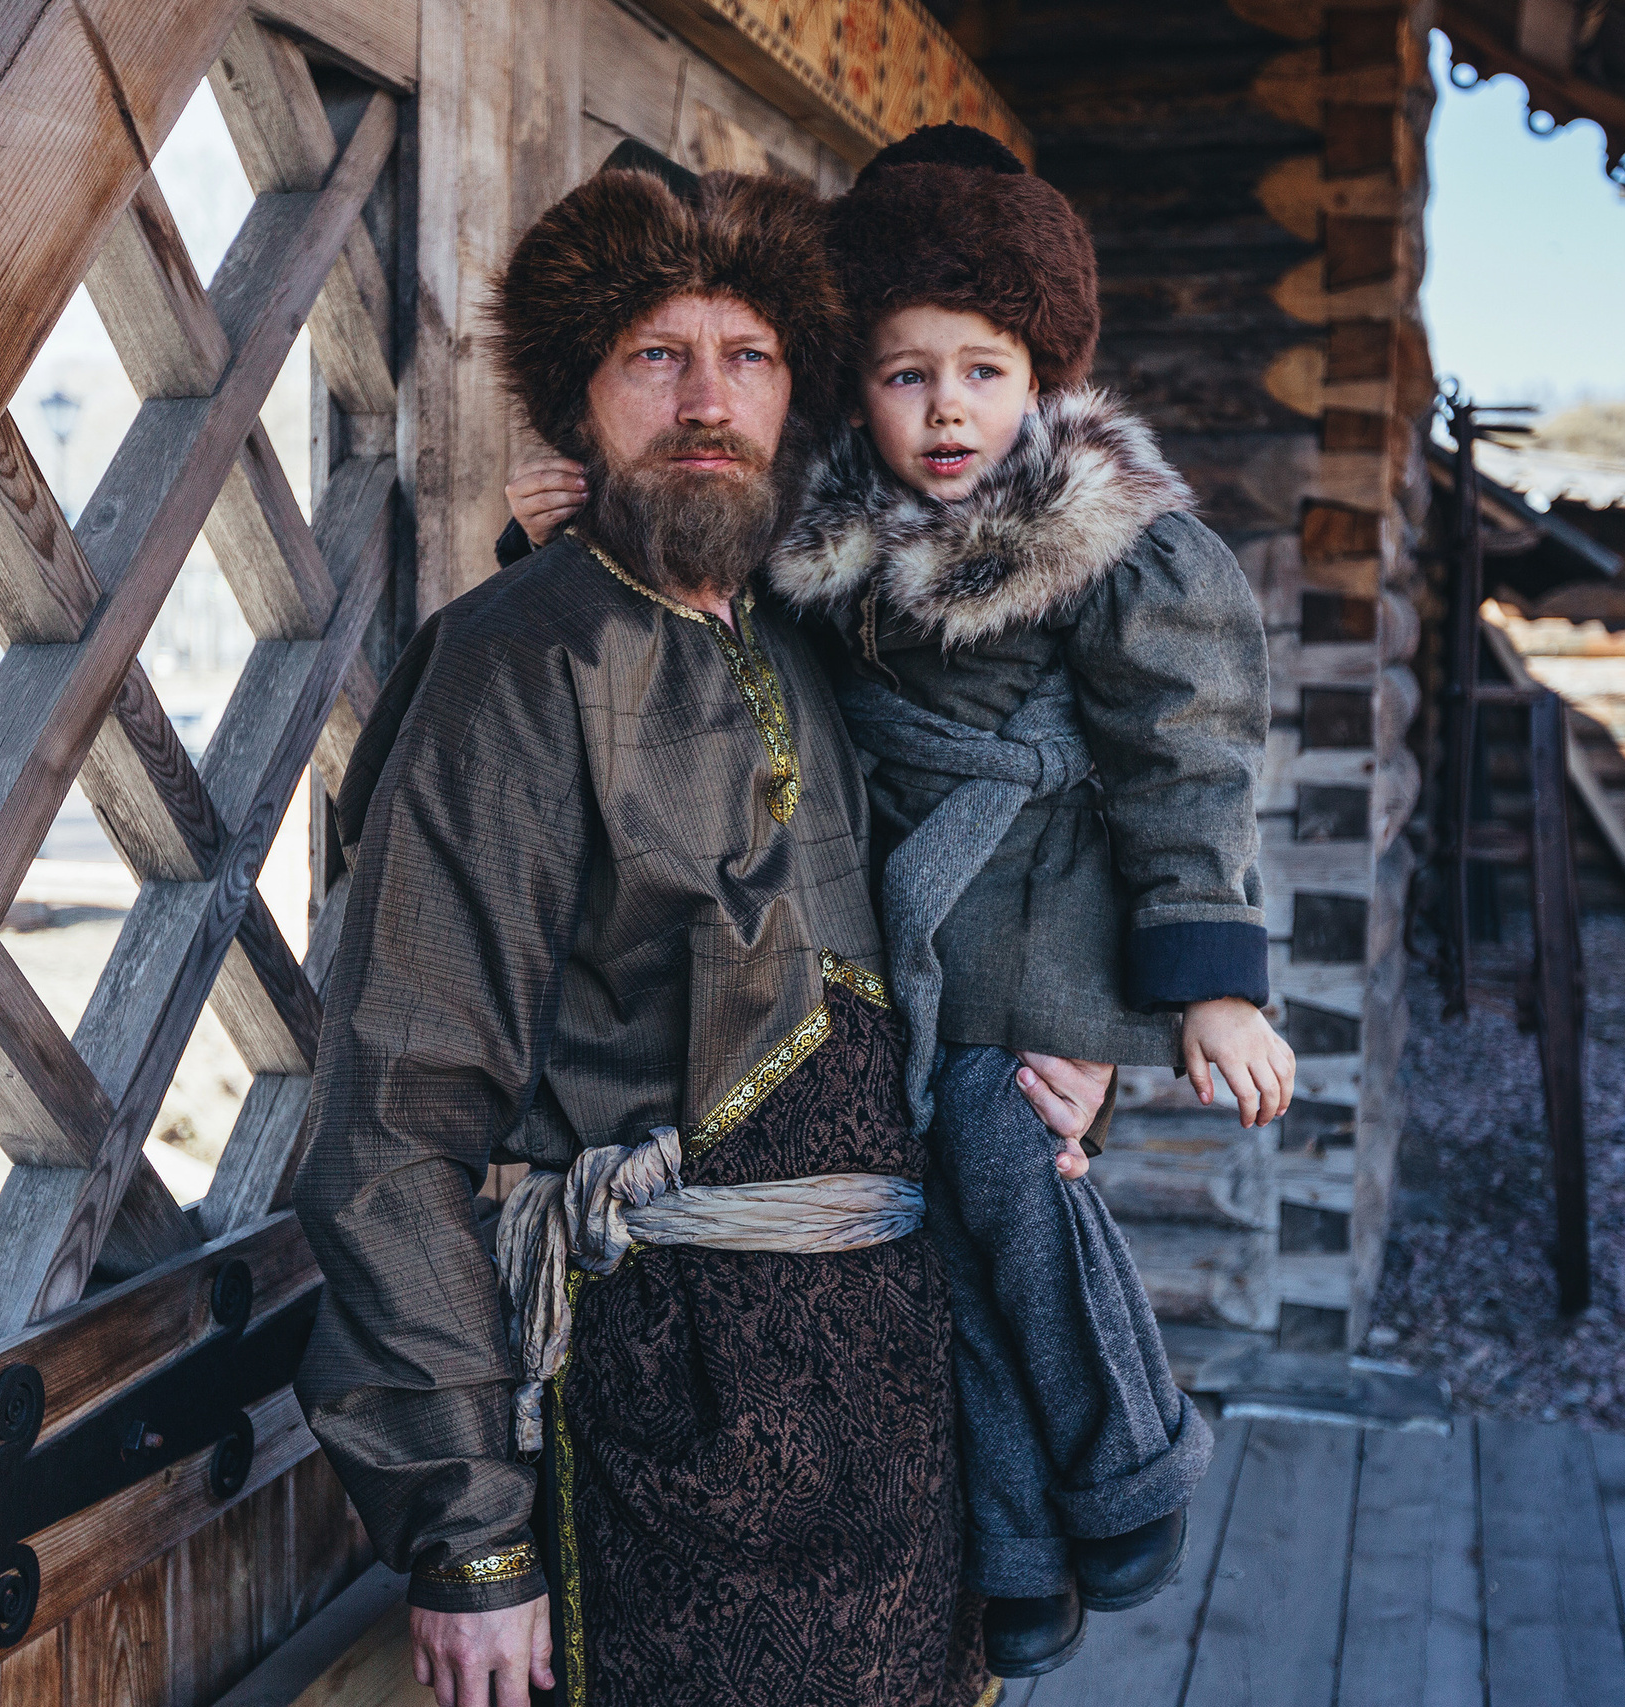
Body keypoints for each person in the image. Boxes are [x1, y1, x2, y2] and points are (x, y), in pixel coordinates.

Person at [294, 151, 1109, 1707]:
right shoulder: (512, 666)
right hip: (655, 1414)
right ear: (581, 399)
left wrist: (1075, 1052)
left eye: (750, 355)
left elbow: (1022, 858)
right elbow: (389, 1127)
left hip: (900, 1410)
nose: (708, 401)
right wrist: (470, 1542)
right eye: (655, 356)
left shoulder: (827, 642)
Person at [505, 125, 1293, 1680]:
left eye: (985, 372)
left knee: (1006, 1156)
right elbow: (693, 597)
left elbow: (1188, 753)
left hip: (1038, 920)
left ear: (1044, 379)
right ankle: (1018, 1556)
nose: (947, 410)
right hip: (908, 945)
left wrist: (1208, 985)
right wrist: (588, 514)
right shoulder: (818, 533)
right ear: (851, 385)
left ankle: (1132, 1444)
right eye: (906, 374)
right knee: (938, 1245)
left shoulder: (1107, 537)